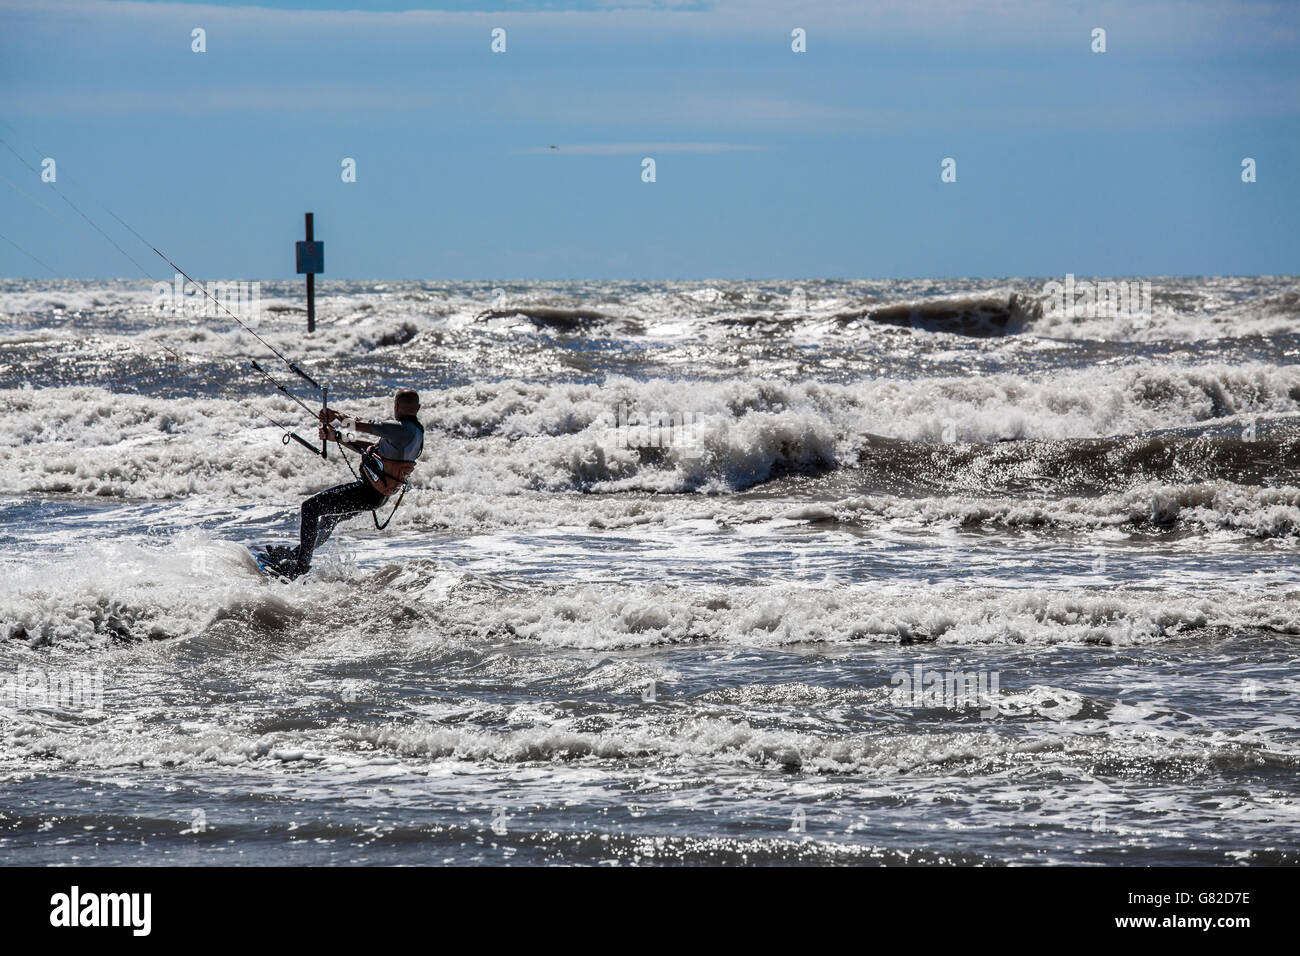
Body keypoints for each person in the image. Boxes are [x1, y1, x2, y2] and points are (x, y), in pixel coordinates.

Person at [263, 388, 424, 578]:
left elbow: (357, 425)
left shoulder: (399, 430)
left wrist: (336, 416)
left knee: (310, 508)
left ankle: (299, 568)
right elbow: (368, 448)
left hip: (367, 492)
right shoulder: (415, 434)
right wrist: (337, 437)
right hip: (377, 497)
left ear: (396, 406)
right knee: (330, 518)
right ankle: (296, 554)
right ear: (418, 408)